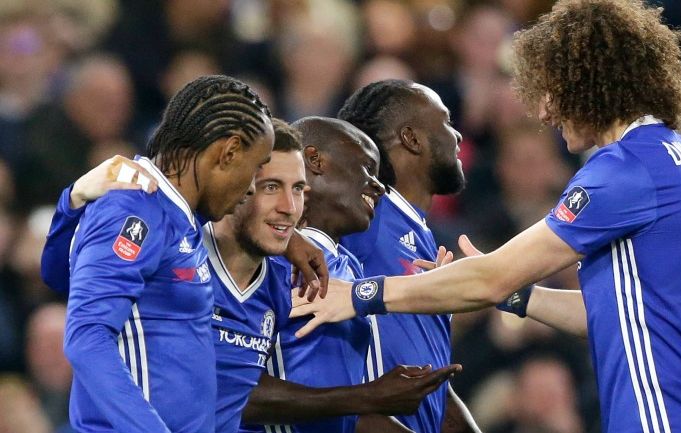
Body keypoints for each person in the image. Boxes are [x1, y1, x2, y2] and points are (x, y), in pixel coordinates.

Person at [292, 2, 681, 432]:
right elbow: (620, 313)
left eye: (551, 89)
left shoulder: (623, 170)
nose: (545, 111)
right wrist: (516, 297)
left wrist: (358, 295)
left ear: (587, 81)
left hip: (660, 416)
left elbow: (491, 276)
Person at [43, 120, 456, 433]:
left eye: (298, 191)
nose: (289, 206)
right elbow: (66, 291)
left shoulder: (298, 275)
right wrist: (74, 197)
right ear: (237, 183)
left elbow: (233, 391)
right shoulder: (171, 239)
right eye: (271, 186)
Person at [61, 74, 273, 433]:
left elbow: (61, 273)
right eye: (256, 168)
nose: (252, 187)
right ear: (229, 152)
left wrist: (71, 202)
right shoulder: (136, 209)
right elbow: (86, 336)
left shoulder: (181, 217)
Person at [247, 116, 459, 433]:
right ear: (314, 161)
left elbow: (347, 412)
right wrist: (365, 397)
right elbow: (233, 390)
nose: (378, 186)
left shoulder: (349, 266)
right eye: (366, 168)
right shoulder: (268, 258)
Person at [337, 79, 480, 433]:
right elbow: (333, 377)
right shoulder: (365, 219)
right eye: (445, 122)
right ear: (411, 138)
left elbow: (432, 387)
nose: (457, 136)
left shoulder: (420, 234)